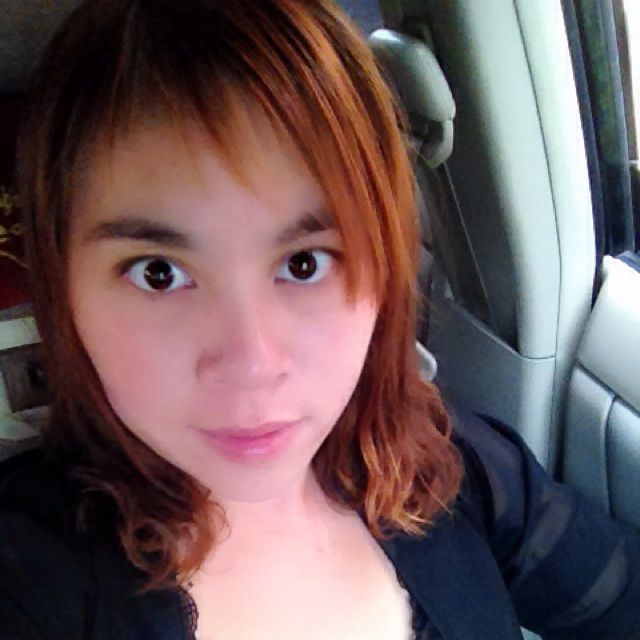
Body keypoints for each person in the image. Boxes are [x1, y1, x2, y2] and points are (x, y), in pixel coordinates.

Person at [0, 1, 639, 638]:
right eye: (159, 273)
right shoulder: (29, 575)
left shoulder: (446, 463)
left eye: (304, 263)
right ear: (64, 290)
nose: (253, 364)